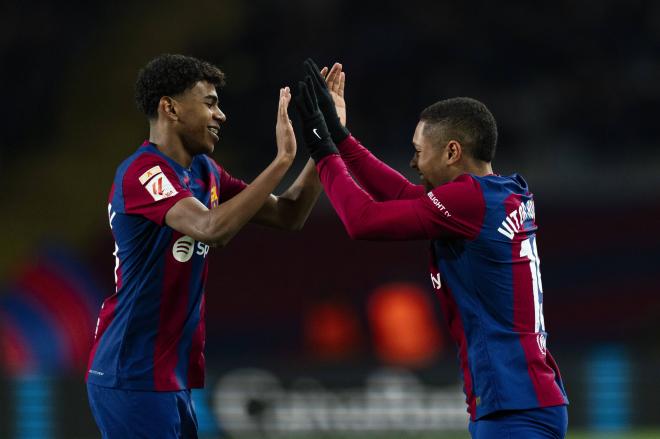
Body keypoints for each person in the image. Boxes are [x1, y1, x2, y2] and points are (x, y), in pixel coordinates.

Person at [293, 58, 569, 439]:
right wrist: (341, 137)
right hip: (526, 398)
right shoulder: (502, 192)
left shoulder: (469, 202)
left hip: (513, 405)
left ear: (452, 152)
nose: (413, 162)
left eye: (419, 151)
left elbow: (364, 221)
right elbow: (404, 195)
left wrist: (322, 149)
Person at [85, 54, 322, 439]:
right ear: (170, 108)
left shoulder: (203, 172)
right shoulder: (143, 172)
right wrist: (281, 162)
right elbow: (212, 228)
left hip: (169, 374)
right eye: (210, 102)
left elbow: (289, 215)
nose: (221, 115)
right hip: (131, 372)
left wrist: (324, 144)